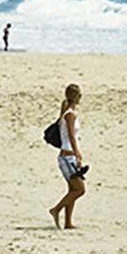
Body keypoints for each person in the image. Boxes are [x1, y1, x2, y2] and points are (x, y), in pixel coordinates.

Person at [50, 83, 86, 229]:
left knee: (72, 189)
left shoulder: (66, 113)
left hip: (67, 155)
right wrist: (77, 152)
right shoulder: (69, 114)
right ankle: (56, 209)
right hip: (67, 156)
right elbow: (71, 135)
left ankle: (68, 222)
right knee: (80, 189)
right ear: (76, 97)